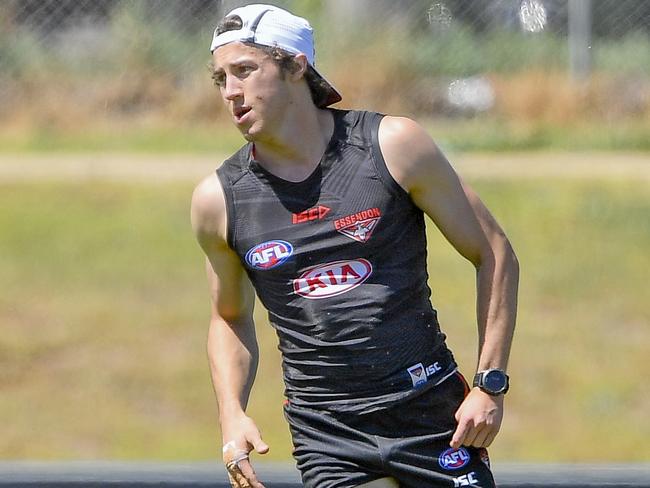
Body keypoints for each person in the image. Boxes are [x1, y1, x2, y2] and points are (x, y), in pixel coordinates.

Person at [191, 4, 519, 488]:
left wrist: (490, 384)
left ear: (296, 66)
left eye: (245, 70)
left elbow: (494, 252)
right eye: (221, 79)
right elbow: (229, 317)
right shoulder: (217, 199)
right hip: (327, 432)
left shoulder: (393, 145)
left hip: (428, 414)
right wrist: (231, 414)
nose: (232, 92)